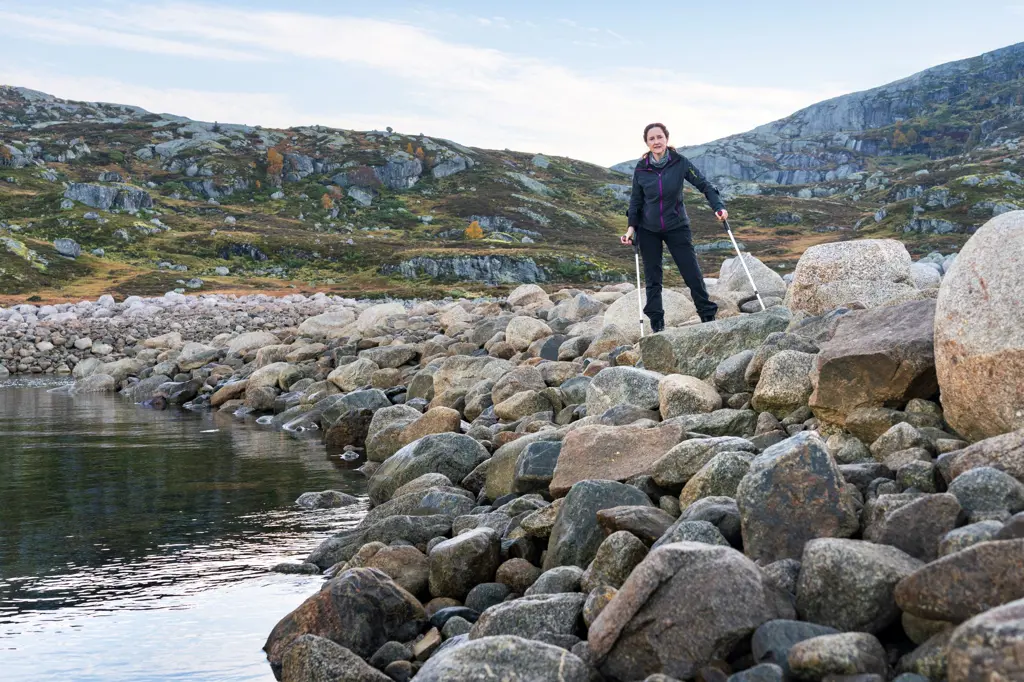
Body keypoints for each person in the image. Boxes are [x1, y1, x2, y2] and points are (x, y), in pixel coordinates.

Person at [621, 122, 728, 331]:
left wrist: (719, 207)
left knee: (692, 274)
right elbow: (635, 200)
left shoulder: (680, 162)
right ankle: (657, 325)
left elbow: (704, 185)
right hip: (648, 229)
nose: (656, 141)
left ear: (666, 139)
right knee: (653, 278)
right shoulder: (641, 168)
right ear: (647, 143)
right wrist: (631, 229)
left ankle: (707, 317)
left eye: (659, 137)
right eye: (651, 139)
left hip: (677, 225)